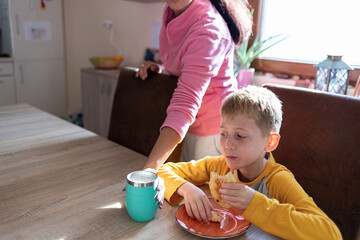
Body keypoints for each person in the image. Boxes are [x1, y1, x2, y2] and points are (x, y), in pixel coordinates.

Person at [157, 85, 342, 239]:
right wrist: (187, 189)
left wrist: (255, 203)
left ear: (270, 142)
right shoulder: (219, 166)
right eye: (224, 133)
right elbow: (162, 170)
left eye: (240, 136)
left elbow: (330, 234)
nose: (228, 145)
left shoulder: (277, 179)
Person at [136, 0, 253, 175]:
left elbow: (186, 102)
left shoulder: (209, 28)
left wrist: (149, 170)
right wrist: (161, 69)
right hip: (189, 125)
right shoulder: (172, 10)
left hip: (215, 131)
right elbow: (188, 64)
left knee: (207, 197)